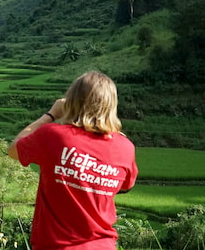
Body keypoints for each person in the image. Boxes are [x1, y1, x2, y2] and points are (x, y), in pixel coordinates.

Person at [7, 71, 138, 250]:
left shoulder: (53, 136)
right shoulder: (125, 147)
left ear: (71, 101)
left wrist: (51, 114)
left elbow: (14, 150)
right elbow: (126, 186)